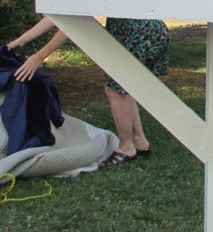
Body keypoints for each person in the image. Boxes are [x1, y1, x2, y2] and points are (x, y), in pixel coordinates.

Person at [7, 15, 170, 164]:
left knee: (115, 89)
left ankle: (126, 147)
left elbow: (72, 25)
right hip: (142, 30)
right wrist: (21, 40)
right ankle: (139, 141)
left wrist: (39, 56)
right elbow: (57, 14)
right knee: (122, 87)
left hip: (139, 33)